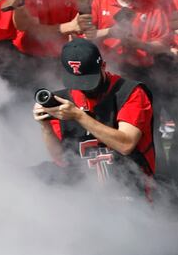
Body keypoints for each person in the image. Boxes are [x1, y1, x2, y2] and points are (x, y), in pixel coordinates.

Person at [34, 39, 156, 201]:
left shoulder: (130, 93)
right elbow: (62, 158)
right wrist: (45, 127)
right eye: (76, 81)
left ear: (103, 66)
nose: (83, 87)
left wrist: (79, 116)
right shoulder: (61, 100)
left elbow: (126, 144)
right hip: (84, 190)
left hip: (130, 188)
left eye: (87, 81)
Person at [91, 0, 176, 93]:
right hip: (104, 69)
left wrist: (139, 44)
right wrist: (109, 32)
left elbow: (163, 44)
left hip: (142, 72)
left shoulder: (152, 7)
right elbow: (84, 36)